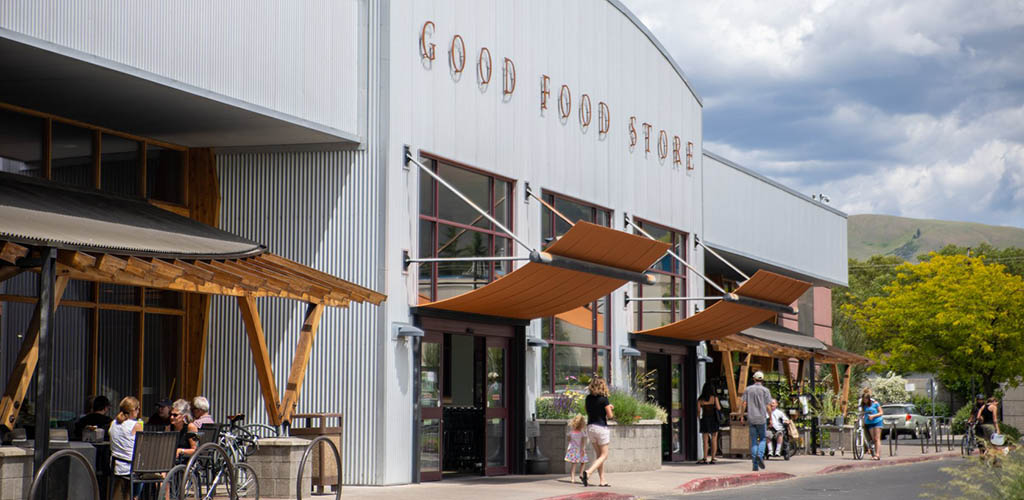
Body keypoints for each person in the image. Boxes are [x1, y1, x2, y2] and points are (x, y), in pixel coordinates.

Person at [580, 377, 613, 488]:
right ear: (602, 386)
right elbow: (610, 416)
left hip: (590, 427)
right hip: (601, 428)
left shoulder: (588, 398)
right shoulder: (604, 399)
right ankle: (588, 472)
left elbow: (588, 410)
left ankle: (602, 480)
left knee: (599, 455)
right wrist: (610, 408)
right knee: (604, 455)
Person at [109, 396, 144, 500]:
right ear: (133, 410)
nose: (138, 412)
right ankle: (136, 497)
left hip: (115, 465)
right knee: (147, 469)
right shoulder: (136, 425)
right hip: (130, 467)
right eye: (138, 409)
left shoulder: (113, 423)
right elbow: (141, 447)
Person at [739, 370, 772, 471]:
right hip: (761, 418)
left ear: (754, 379)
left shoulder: (748, 389)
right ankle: (760, 455)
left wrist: (741, 416)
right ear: (762, 380)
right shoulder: (766, 390)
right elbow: (768, 406)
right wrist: (770, 417)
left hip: (751, 418)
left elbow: (744, 403)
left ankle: (755, 465)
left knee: (753, 441)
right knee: (762, 439)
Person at [696, 383, 721, 464]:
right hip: (714, 419)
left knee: (705, 440)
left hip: (705, 419)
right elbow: (718, 408)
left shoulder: (700, 399)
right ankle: (713, 458)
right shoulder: (714, 398)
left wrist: (698, 418)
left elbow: (698, 410)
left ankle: (705, 458)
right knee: (714, 438)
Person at [170, 399, 199, 463]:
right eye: (171, 414)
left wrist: (181, 451)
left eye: (175, 415)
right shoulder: (169, 427)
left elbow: (195, 450)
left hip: (186, 461)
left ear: (184, 416)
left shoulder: (190, 427)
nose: (171, 417)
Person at [564, 414, 589, 483]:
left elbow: (569, 440)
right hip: (580, 449)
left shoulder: (571, 432)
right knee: (583, 462)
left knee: (574, 464)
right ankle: (581, 474)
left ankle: (572, 478)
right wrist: (583, 449)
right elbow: (583, 442)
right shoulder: (582, 433)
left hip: (573, 450)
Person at [860, 389, 884, 460]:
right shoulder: (864, 405)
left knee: (877, 438)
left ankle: (877, 454)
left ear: (869, 399)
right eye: (864, 399)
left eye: (866, 399)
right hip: (869, 423)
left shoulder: (875, 403)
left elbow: (881, 412)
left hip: (877, 421)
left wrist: (873, 416)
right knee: (873, 439)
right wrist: (860, 417)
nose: (865, 401)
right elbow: (863, 413)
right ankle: (874, 452)